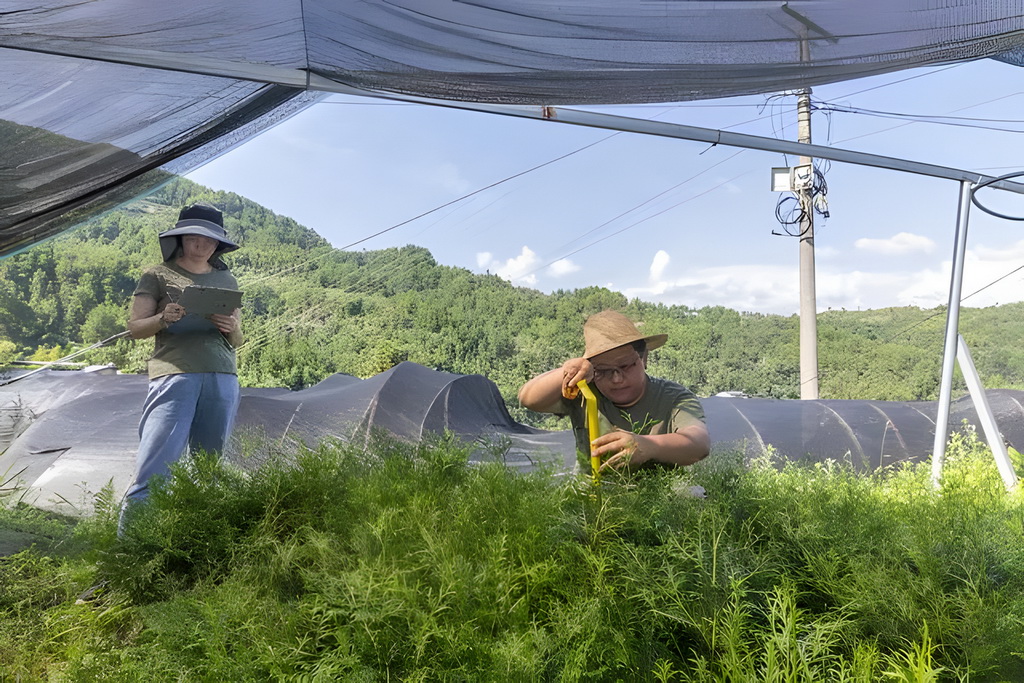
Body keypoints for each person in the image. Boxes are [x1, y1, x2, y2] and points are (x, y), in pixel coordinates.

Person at [118, 203, 243, 530]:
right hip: (174, 374)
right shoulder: (157, 274)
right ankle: (128, 555)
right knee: (155, 469)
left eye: (211, 240)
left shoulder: (227, 278)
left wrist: (229, 326)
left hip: (222, 375)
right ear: (181, 237)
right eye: (195, 237)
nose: (202, 245)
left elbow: (238, 339)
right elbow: (135, 328)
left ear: (218, 244)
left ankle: (198, 550)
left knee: (211, 470)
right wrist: (163, 318)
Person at [518, 309, 709, 471]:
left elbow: (699, 444)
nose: (617, 379)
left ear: (644, 359)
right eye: (604, 371)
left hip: (658, 505)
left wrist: (647, 446)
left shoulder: (674, 397)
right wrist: (569, 372)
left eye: (626, 366)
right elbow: (528, 399)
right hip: (594, 500)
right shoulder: (584, 393)